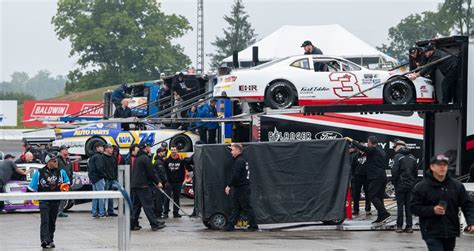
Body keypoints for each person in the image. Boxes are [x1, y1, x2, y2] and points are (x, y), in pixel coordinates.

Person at [411, 153, 474, 251]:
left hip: (450, 231)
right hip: (431, 231)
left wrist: (471, 222)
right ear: (432, 167)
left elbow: (467, 205)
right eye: (439, 165)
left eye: (445, 165)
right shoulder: (422, 187)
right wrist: (432, 210)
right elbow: (414, 207)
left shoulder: (457, 186)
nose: (442, 167)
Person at [28, 152, 70, 249]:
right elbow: (31, 188)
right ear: (48, 162)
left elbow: (67, 184)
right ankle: (44, 240)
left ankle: (50, 239)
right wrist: (27, 198)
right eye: (54, 161)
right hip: (44, 201)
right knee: (45, 221)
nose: (57, 162)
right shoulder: (39, 173)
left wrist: (64, 188)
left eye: (57, 160)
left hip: (55, 201)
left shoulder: (61, 172)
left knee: (52, 221)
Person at [345, 136, 391, 224]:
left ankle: (384, 213)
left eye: (368, 142)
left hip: (376, 177)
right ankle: (381, 216)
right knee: (379, 197)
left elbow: (362, 147)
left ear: (370, 142)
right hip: (382, 176)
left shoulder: (373, 149)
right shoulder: (381, 150)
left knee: (372, 195)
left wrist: (351, 140)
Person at [130, 143, 165, 231]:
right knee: (148, 205)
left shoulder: (138, 157)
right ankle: (154, 224)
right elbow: (151, 172)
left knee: (136, 206)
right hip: (143, 185)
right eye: (149, 147)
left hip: (135, 185)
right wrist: (158, 182)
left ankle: (133, 224)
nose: (150, 148)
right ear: (146, 148)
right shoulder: (145, 158)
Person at [224, 143, 258, 231]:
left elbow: (236, 176)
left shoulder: (239, 161)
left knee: (246, 207)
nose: (231, 152)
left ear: (238, 151)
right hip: (241, 188)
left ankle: (254, 225)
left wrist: (229, 185)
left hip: (242, 188)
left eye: (232, 150)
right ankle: (231, 225)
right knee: (236, 207)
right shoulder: (242, 159)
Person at [391, 140, 417, 233]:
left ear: (399, 146)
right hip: (410, 185)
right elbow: (415, 172)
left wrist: (395, 182)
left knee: (400, 205)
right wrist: (412, 181)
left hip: (400, 185)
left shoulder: (397, 157)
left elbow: (394, 171)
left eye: (395, 147)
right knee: (408, 206)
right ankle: (409, 227)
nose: (394, 149)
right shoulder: (413, 157)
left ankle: (399, 226)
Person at [163, 146, 185, 218]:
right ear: (170, 151)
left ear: (177, 151)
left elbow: (183, 171)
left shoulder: (180, 160)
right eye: (172, 150)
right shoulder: (166, 161)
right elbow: (164, 171)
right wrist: (165, 181)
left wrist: (181, 180)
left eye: (174, 150)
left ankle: (176, 213)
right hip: (169, 182)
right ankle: (165, 213)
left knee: (177, 198)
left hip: (178, 182)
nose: (173, 151)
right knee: (167, 198)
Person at [349, 145, 371, 216]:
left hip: (366, 177)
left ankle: (368, 210)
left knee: (368, 193)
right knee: (356, 194)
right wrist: (352, 176)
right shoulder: (355, 156)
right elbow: (352, 166)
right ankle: (356, 210)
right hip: (357, 177)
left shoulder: (368, 155)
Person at [87, 142, 107, 218]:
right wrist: (104, 175)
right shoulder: (99, 157)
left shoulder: (92, 157)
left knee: (95, 196)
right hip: (99, 178)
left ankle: (94, 212)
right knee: (101, 196)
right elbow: (100, 168)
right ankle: (102, 213)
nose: (103, 148)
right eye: (101, 147)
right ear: (97, 148)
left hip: (93, 178)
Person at [102, 144, 118, 217]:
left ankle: (110, 211)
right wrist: (105, 176)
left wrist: (115, 177)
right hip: (106, 179)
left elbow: (115, 168)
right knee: (104, 196)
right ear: (106, 149)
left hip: (113, 179)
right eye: (110, 148)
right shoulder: (102, 157)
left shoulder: (113, 157)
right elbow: (102, 168)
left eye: (112, 148)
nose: (112, 150)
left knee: (111, 196)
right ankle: (103, 211)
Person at [57, 145, 73, 218]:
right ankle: (57, 211)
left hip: (67, 182)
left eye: (67, 149)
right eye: (65, 149)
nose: (67, 151)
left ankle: (60, 211)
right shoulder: (57, 160)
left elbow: (71, 171)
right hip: (59, 182)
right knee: (58, 197)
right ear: (61, 151)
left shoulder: (68, 160)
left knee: (64, 197)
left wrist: (71, 180)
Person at [152, 148, 168, 219]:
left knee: (158, 199)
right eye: (162, 152)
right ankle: (158, 213)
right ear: (159, 153)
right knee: (159, 199)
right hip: (160, 183)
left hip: (158, 183)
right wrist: (165, 181)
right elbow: (161, 173)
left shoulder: (158, 161)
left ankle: (157, 213)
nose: (163, 153)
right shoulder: (159, 162)